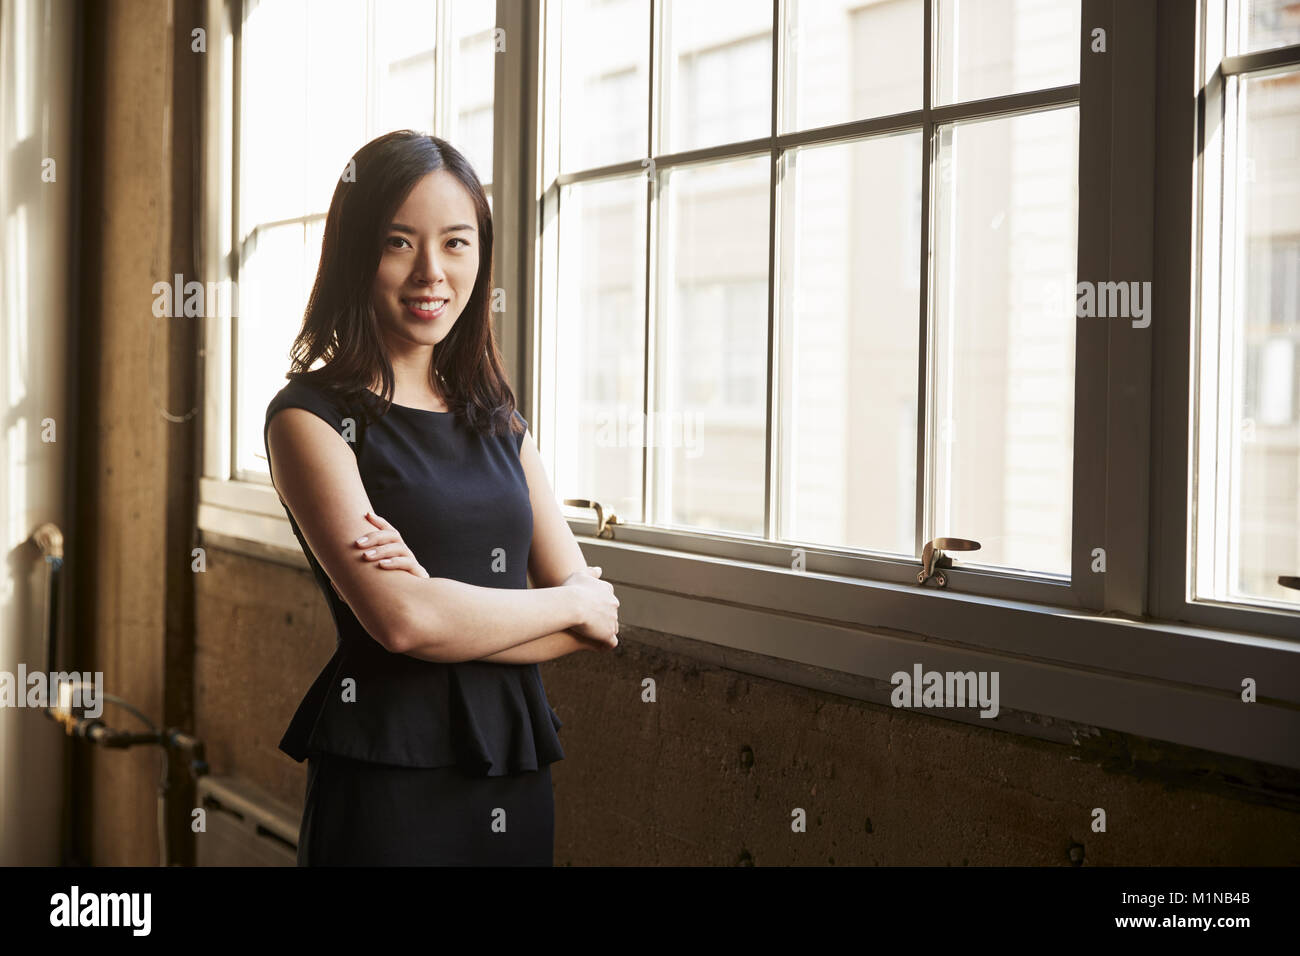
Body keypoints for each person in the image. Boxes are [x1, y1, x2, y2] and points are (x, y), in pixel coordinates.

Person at [263, 130, 620, 866]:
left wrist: (443, 604)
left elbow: (597, 626)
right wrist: (560, 603)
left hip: (511, 772)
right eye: (399, 243)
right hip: (389, 784)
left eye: (456, 243)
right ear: (357, 254)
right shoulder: (310, 418)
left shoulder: (498, 417)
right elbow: (402, 623)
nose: (432, 272)